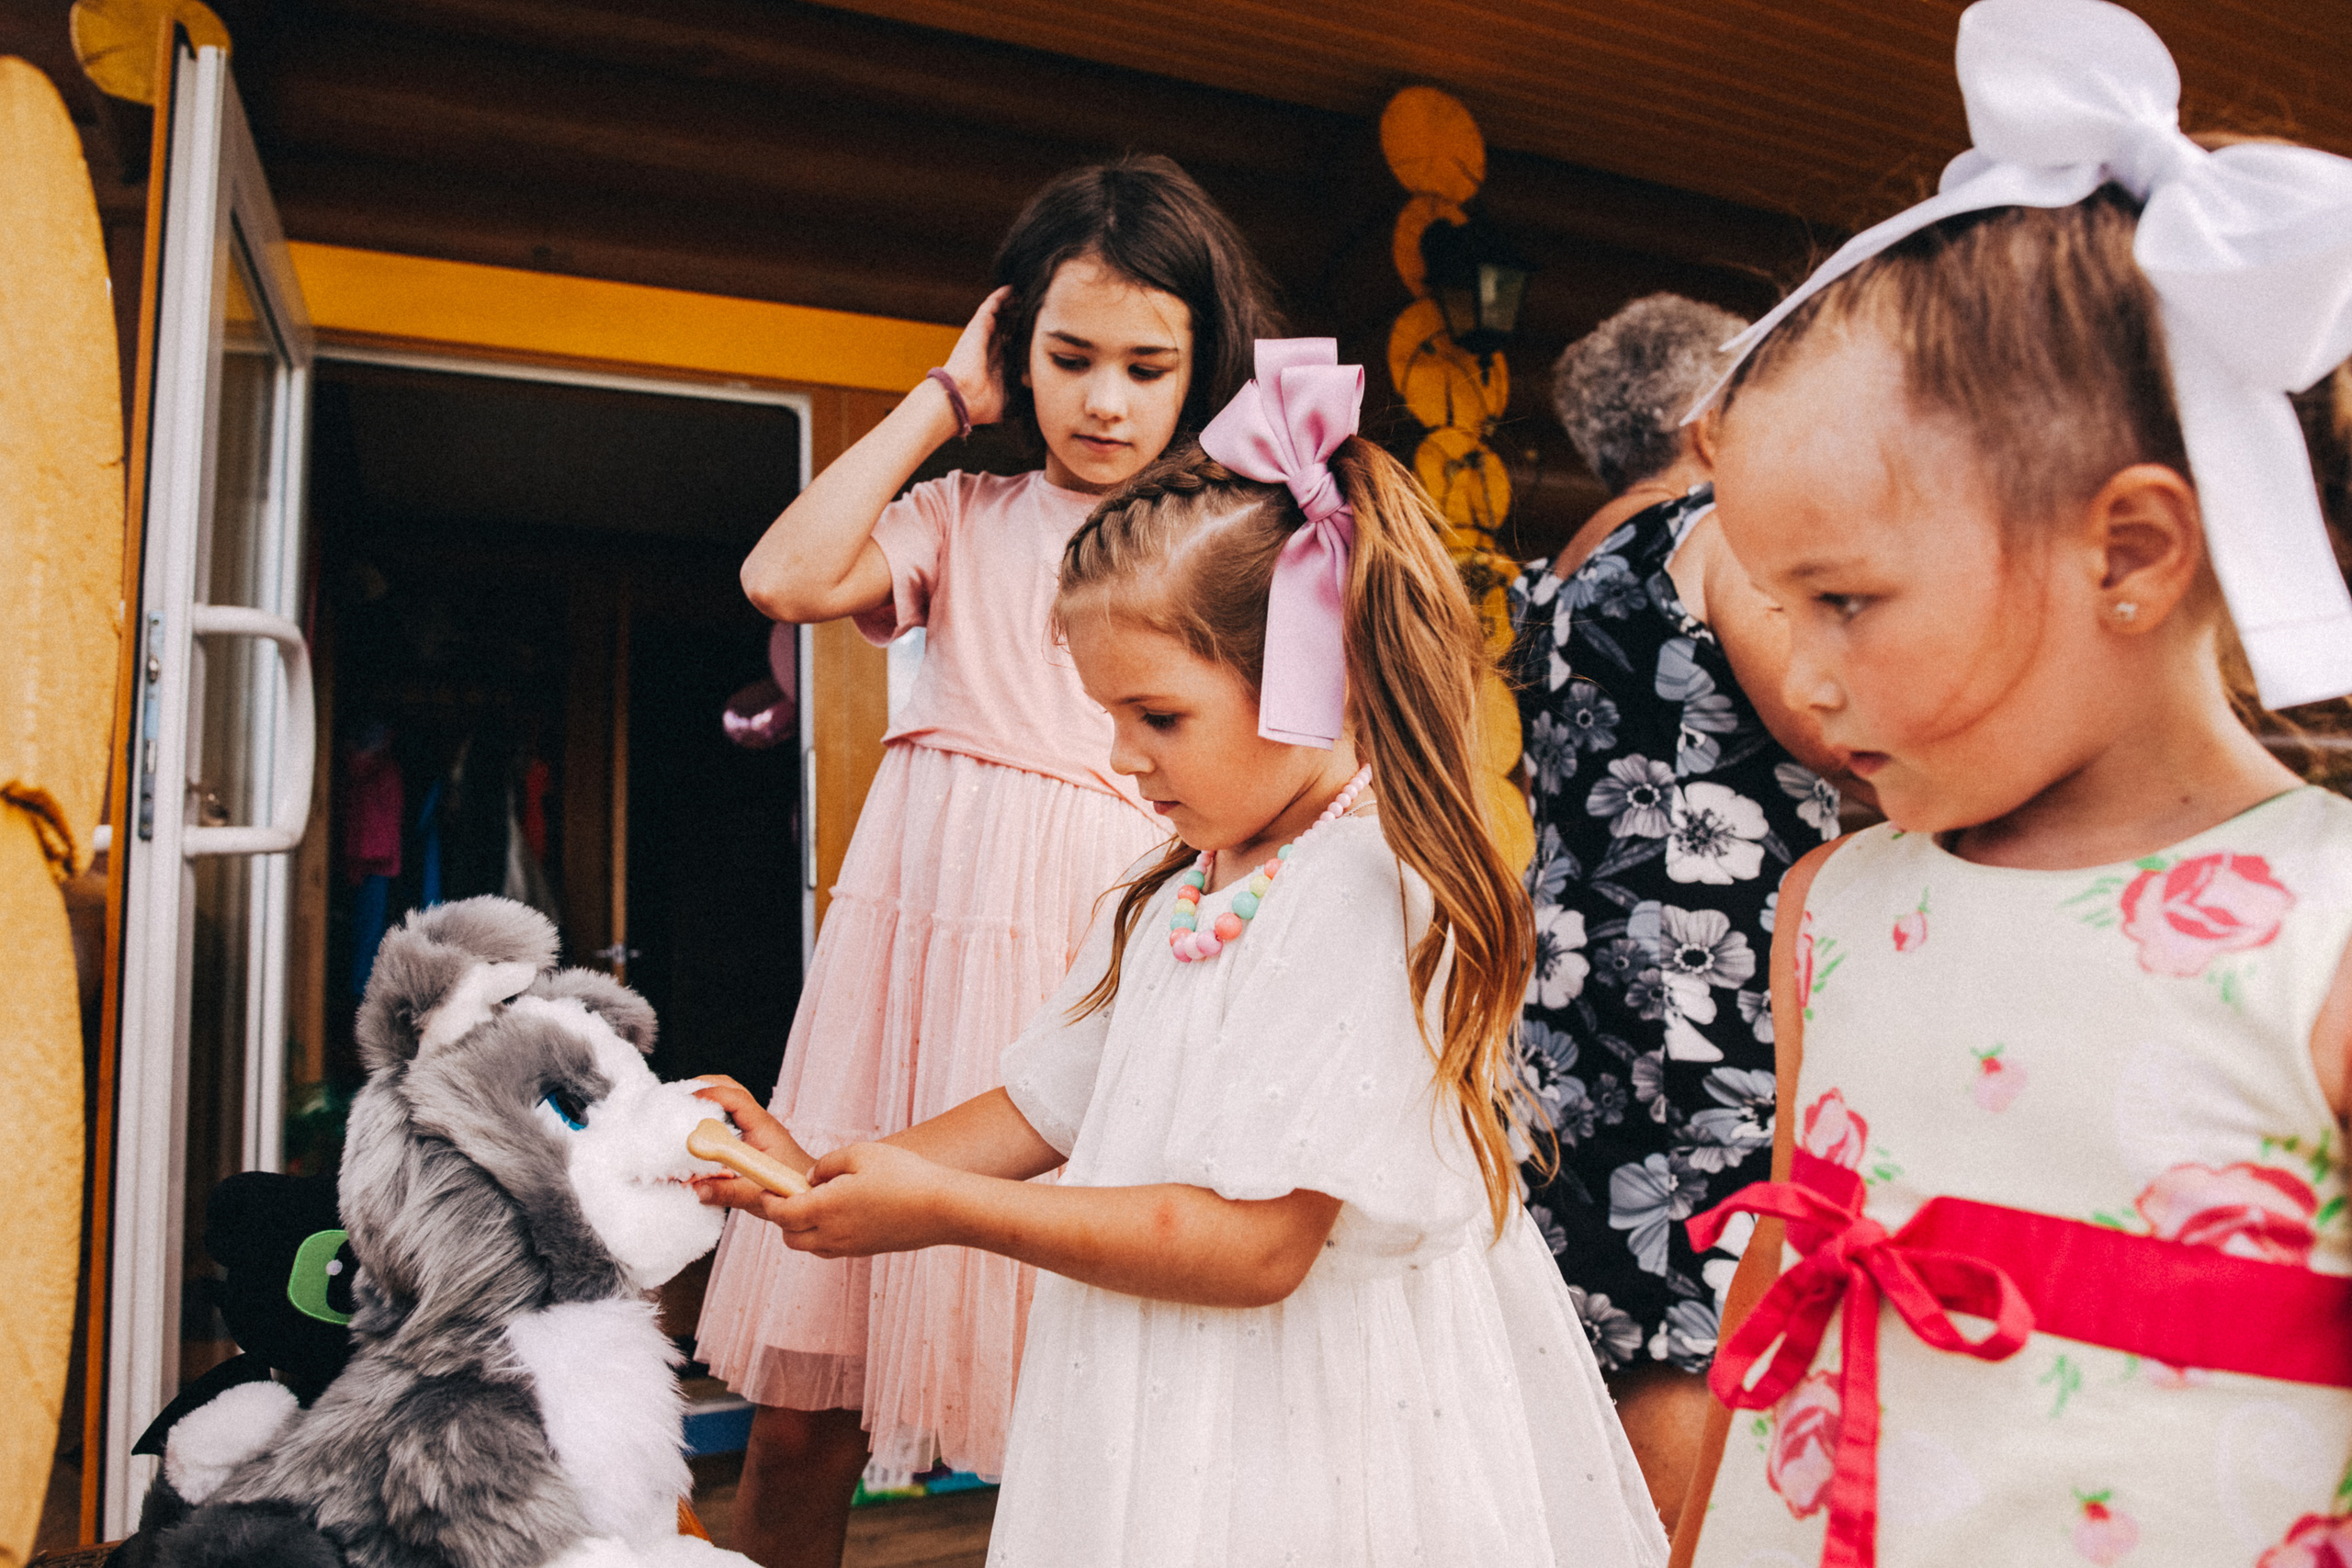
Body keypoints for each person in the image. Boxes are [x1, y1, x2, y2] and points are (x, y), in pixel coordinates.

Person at [696, 342, 1670, 1567]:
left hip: (1313, 1430)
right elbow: (1044, 1103)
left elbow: (1262, 1245)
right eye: (1109, 717)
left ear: (1319, 676)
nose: (1122, 757)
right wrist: (847, 1169)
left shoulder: (1373, 894)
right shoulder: (1175, 895)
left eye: (1158, 716)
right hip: (1153, 1399)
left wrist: (947, 1210)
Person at [1671, 3, 2352, 1563]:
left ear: (2126, 552)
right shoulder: (1833, 905)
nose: (1808, 672)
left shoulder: (2323, 935)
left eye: (1844, 599)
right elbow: (1781, 1282)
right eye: (1779, 608)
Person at [695, 155, 1282, 1568]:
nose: (1102, 401)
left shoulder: (1223, 539)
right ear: (1018, 347)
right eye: (1068, 357)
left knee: (1076, 1411)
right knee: (796, 1418)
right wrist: (945, 405)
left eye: (1148, 366)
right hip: (906, 981)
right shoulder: (962, 520)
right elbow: (784, 578)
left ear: (1198, 369)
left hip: (1102, 964)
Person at [1507, 295, 1859, 1530]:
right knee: (1690, 1302)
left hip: (1575, 990)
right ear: (1712, 422)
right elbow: (1830, 722)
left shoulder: (1553, 575)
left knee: (1608, 1296)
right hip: (1708, 995)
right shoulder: (1710, 534)